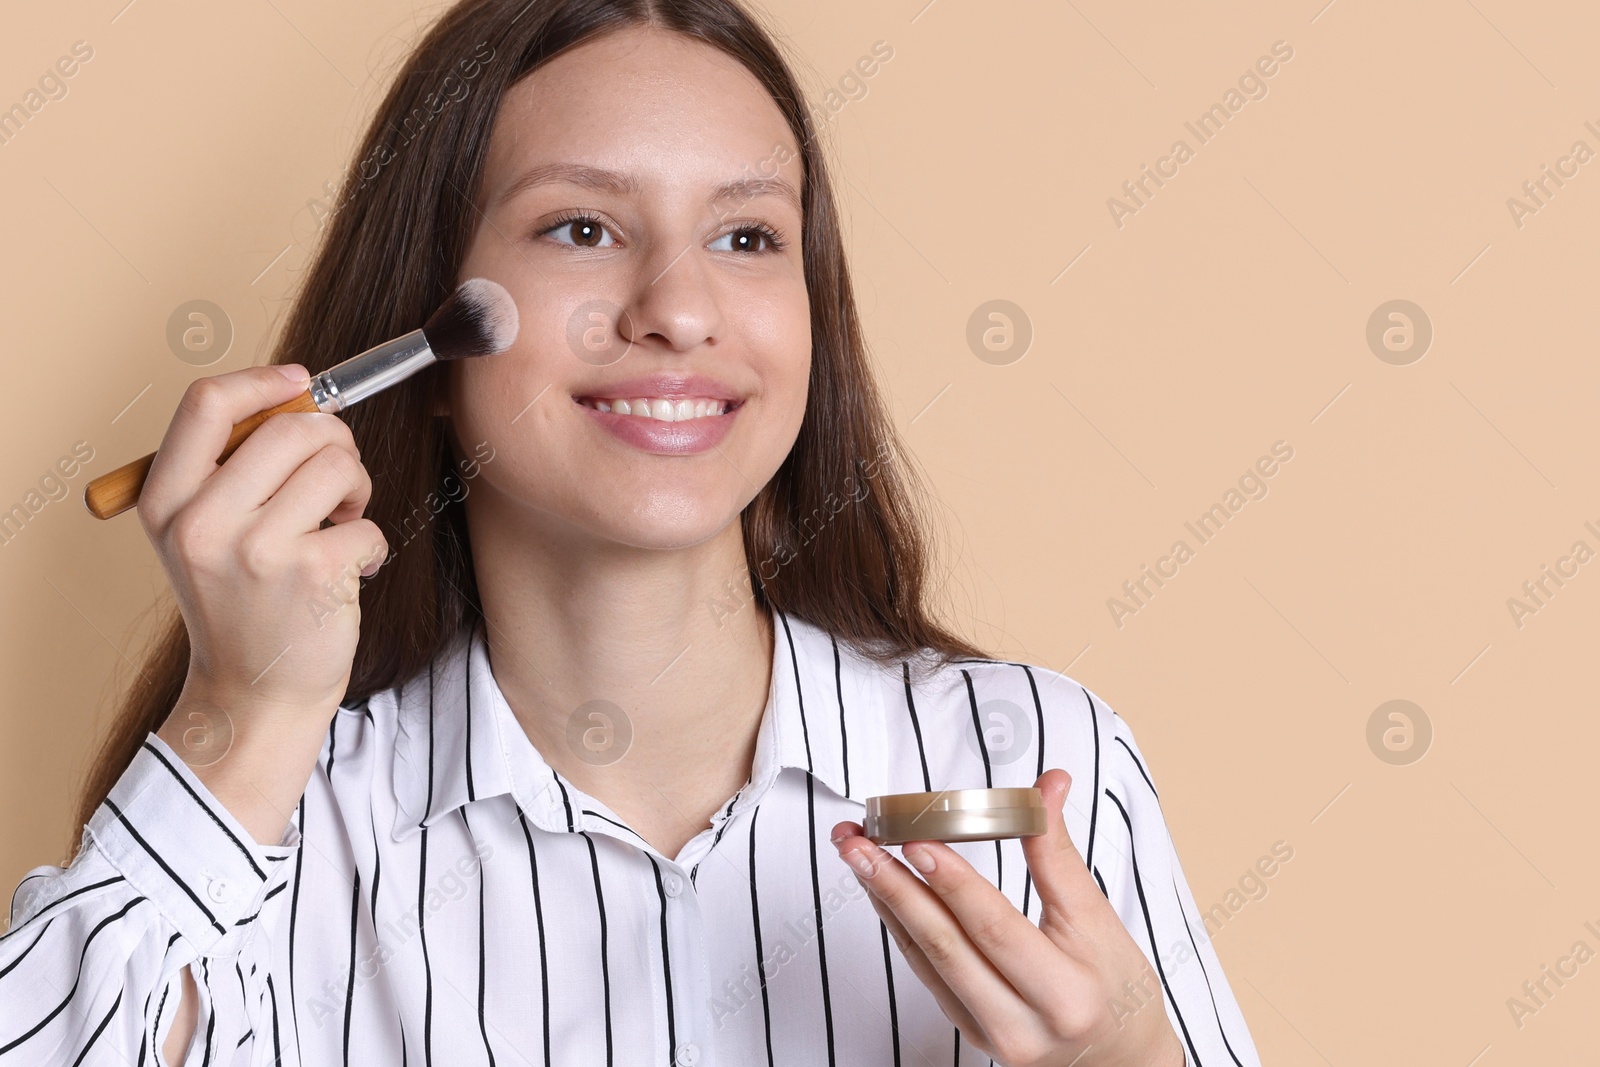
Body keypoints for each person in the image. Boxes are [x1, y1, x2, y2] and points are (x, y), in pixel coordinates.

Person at [0, 1, 1261, 1064]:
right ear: (425, 341)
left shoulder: (1018, 763)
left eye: (746, 236)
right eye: (583, 228)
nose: (679, 307)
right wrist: (242, 712)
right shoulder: (287, 825)